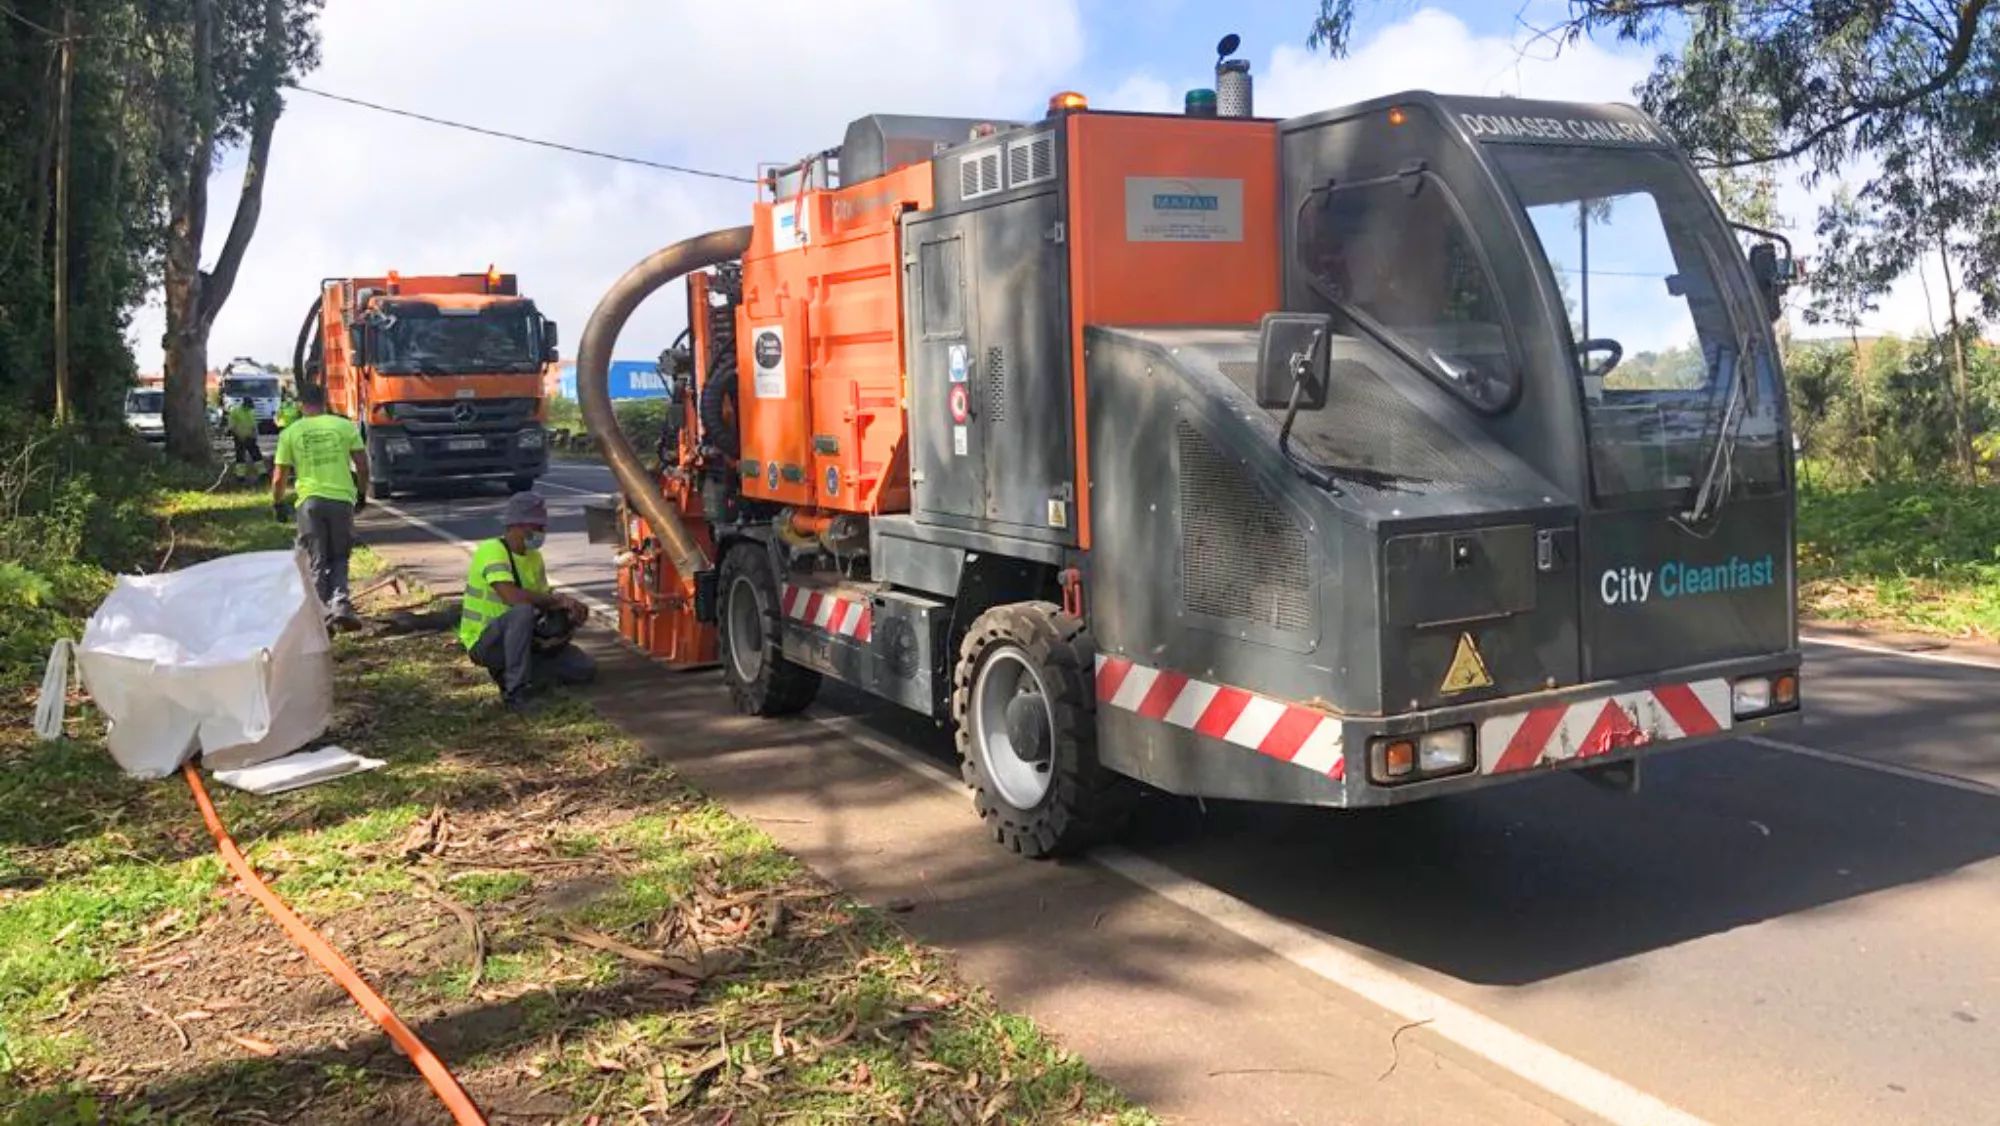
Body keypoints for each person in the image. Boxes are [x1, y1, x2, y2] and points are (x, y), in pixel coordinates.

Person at [460, 492, 595, 714]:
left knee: (584, 670)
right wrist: (556, 600)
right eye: (538, 527)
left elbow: (544, 598)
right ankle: (515, 693)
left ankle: (527, 673)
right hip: (487, 643)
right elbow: (511, 597)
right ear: (518, 525)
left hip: (526, 641)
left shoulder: (533, 557)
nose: (541, 533)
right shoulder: (492, 550)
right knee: (522, 611)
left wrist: (570, 610)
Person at [271, 385, 369, 627]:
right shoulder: (344, 427)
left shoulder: (291, 433)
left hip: (309, 502)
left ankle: (319, 613)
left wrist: (277, 502)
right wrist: (362, 492)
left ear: (301, 404)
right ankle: (340, 604)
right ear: (325, 402)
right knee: (340, 554)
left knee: (316, 557)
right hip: (341, 500)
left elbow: (279, 476)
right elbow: (362, 464)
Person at [227, 398, 263, 484]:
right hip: (239, 438)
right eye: (249, 406)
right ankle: (240, 476)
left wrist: (254, 435)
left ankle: (263, 474)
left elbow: (254, 425)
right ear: (244, 405)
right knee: (240, 457)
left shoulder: (250, 412)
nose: (250, 408)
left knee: (257, 455)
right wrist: (239, 436)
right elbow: (232, 426)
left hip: (250, 437)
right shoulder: (235, 411)